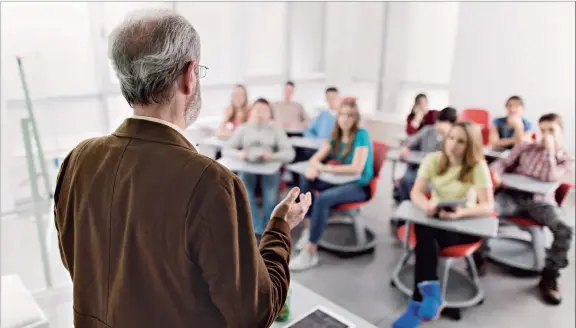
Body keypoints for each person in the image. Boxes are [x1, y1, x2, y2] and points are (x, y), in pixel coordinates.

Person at [53, 9, 312, 328]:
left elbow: (78, 261)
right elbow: (254, 313)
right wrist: (279, 228)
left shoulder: (78, 159)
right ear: (190, 76)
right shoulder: (210, 181)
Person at [393, 122, 494, 328]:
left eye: (461, 141)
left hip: (464, 225)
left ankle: (417, 304)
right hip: (436, 219)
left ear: (470, 145)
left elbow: (487, 205)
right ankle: (429, 295)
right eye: (451, 138)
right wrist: (427, 205)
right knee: (424, 229)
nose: (453, 145)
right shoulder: (433, 159)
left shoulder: (478, 166)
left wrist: (461, 213)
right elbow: (416, 193)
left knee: (425, 237)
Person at [490, 113, 573, 306]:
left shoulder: (566, 159)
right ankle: (479, 257)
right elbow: (503, 162)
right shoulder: (525, 148)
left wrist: (549, 151)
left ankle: (550, 276)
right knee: (486, 210)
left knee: (565, 229)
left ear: (561, 133)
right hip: (512, 197)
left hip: (541, 203)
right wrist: (496, 175)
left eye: (551, 130)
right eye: (542, 130)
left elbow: (550, 177)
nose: (545, 135)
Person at [290, 100, 374, 271]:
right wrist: (314, 168)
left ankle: (310, 251)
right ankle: (308, 229)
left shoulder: (361, 135)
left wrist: (326, 168)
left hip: (359, 185)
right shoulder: (335, 135)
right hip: (339, 180)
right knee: (307, 179)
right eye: (342, 114)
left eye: (350, 115)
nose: (345, 119)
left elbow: (356, 168)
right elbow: (315, 159)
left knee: (323, 200)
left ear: (355, 118)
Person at [223, 98, 296, 236]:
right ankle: (257, 228)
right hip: (247, 166)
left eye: (264, 110)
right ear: (251, 112)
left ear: (270, 114)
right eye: (257, 109)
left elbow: (289, 154)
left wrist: (271, 156)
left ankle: (270, 228)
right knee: (243, 192)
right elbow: (227, 149)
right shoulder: (243, 129)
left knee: (270, 197)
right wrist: (240, 153)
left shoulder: (276, 130)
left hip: (269, 168)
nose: (260, 113)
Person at [396, 107, 458, 202]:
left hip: (437, 174)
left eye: (444, 126)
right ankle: (406, 208)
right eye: (438, 123)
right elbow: (411, 141)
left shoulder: (455, 139)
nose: (438, 127)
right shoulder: (427, 130)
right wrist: (406, 148)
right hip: (418, 168)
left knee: (429, 187)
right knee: (405, 180)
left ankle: (422, 209)